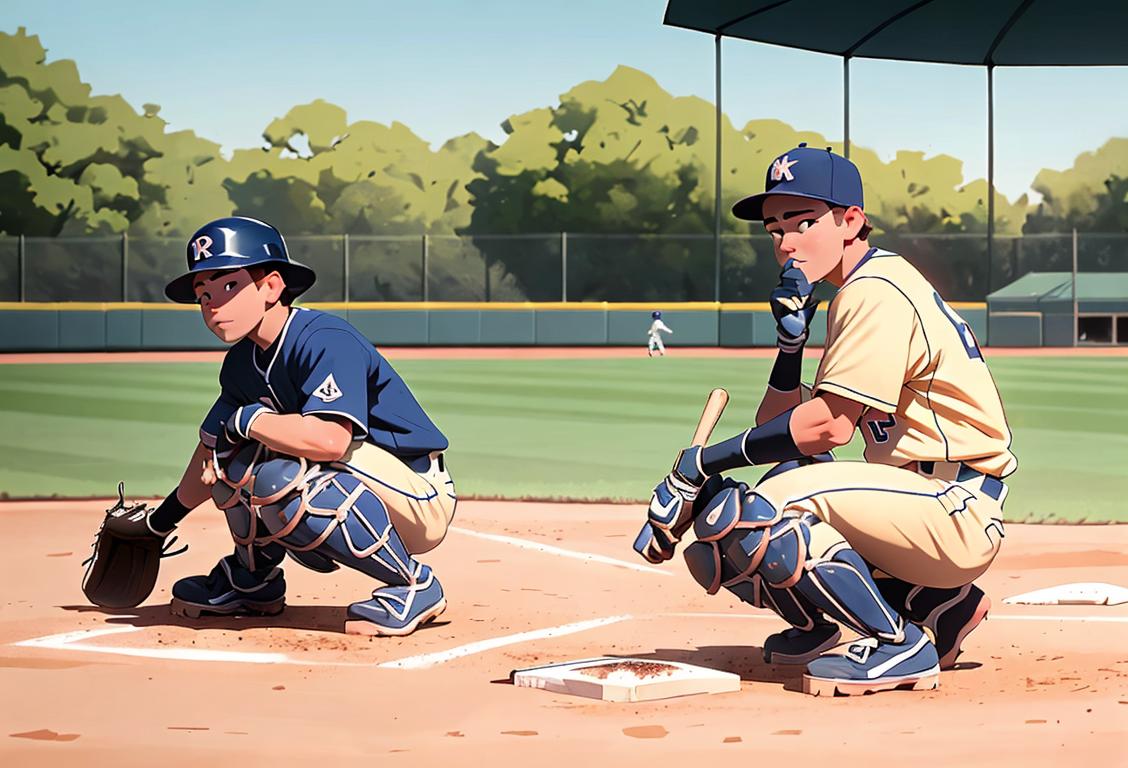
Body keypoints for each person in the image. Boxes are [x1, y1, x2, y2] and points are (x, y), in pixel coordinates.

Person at [640, 144, 1014, 695]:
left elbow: (830, 428)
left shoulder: (875, 292)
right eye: (774, 229)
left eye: (804, 222)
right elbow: (785, 432)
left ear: (851, 221)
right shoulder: (855, 290)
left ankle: (897, 644)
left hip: (953, 506)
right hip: (920, 498)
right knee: (752, 500)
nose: (787, 243)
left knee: (763, 509)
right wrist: (791, 344)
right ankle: (936, 609)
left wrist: (700, 463)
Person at [117, 216, 454, 636]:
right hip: (357, 479)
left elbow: (332, 440)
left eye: (227, 286)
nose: (213, 305)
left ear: (272, 287)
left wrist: (250, 420)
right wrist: (161, 522)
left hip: (415, 492)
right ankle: (252, 581)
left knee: (277, 468)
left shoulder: (325, 339)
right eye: (203, 295)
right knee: (231, 463)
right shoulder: (242, 363)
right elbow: (210, 451)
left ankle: (412, 583)